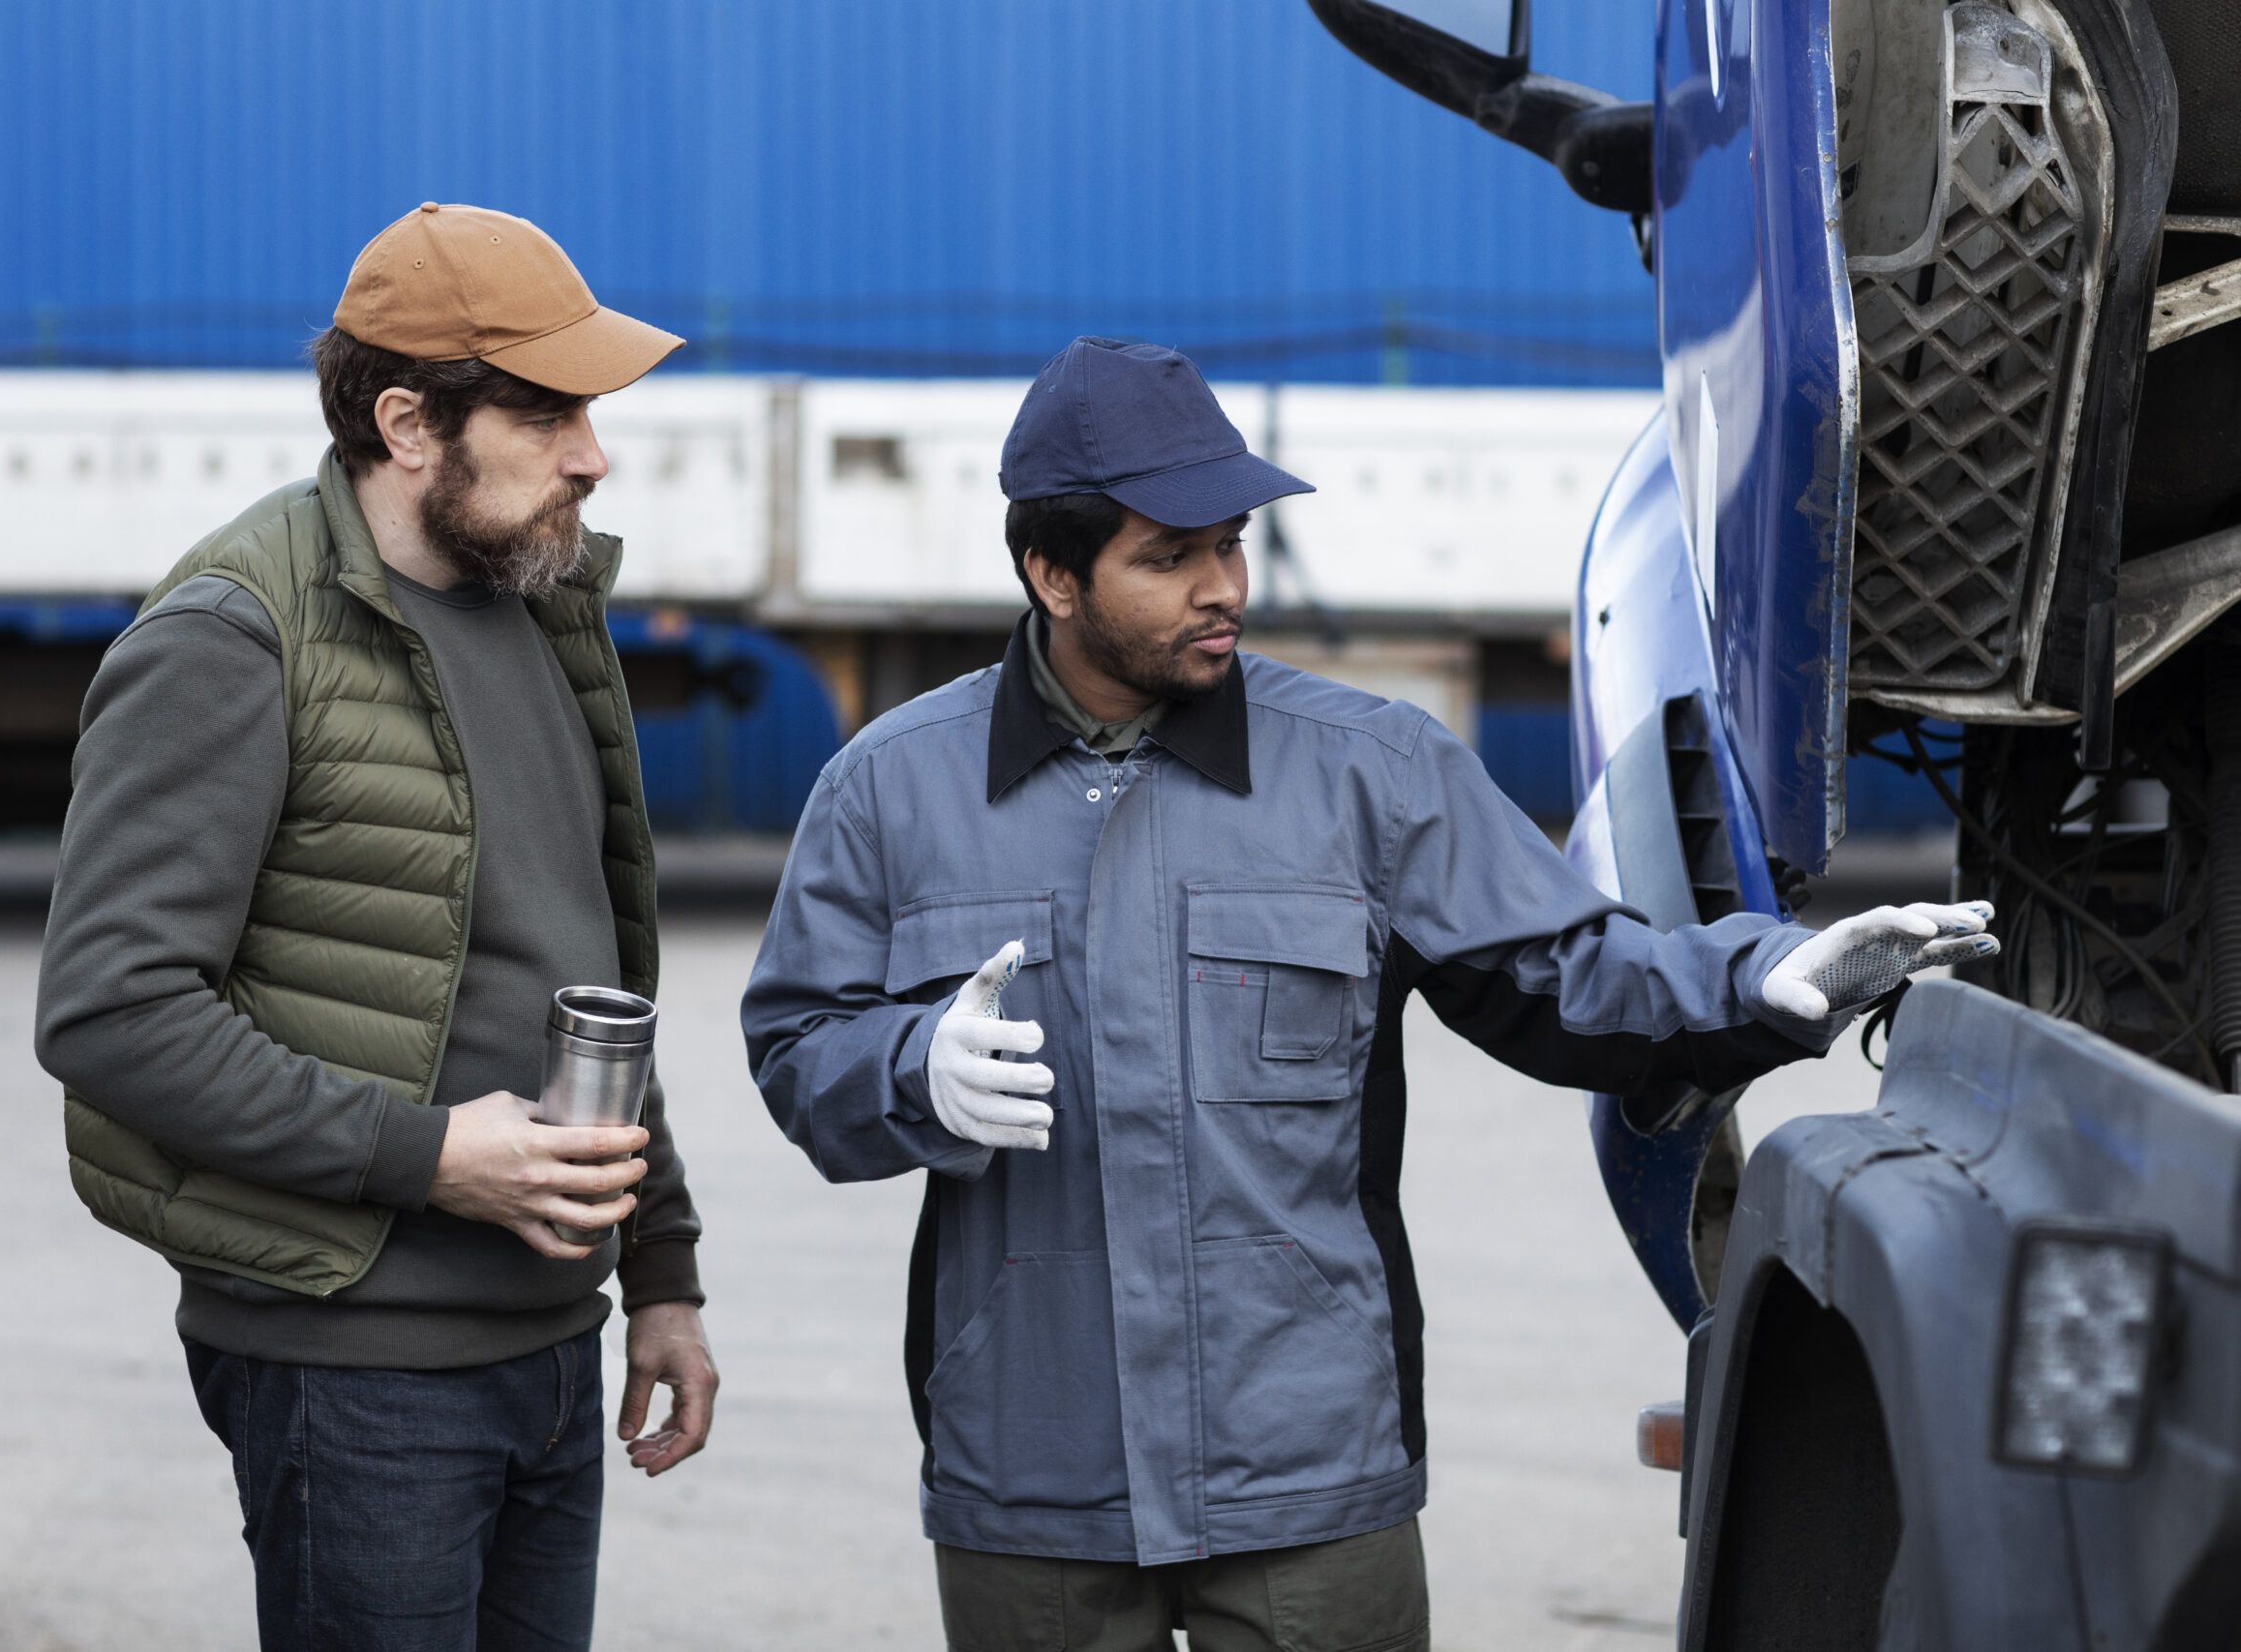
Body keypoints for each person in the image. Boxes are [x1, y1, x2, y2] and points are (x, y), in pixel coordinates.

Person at [740, 336, 1994, 1651]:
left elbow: (1565, 975)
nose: (1222, 588)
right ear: (1051, 573)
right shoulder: (891, 789)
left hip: (1308, 1469)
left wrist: (1774, 976)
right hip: (1031, 1471)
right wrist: (905, 1070)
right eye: (1169, 559)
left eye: (1230, 544)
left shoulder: (1368, 770)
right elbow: (794, 1050)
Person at [37, 202, 717, 1651]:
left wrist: (660, 1270)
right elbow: (110, 1013)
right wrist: (429, 1158)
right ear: (409, 423)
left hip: (548, 1348)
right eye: (547, 413)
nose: (593, 454)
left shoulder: (538, 612)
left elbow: (578, 976)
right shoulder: (233, 637)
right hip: (352, 1371)